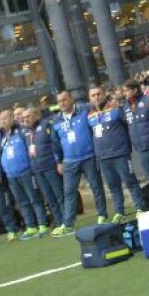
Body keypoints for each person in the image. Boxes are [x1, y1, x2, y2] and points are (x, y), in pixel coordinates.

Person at [50, 90, 108, 237]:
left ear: (71, 99)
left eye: (64, 100)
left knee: (96, 187)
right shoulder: (56, 120)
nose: (62, 103)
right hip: (69, 161)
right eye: (59, 101)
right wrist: (59, 162)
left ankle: (102, 214)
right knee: (69, 192)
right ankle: (68, 224)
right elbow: (55, 144)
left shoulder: (85, 110)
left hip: (89, 157)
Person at [87, 85, 142, 222]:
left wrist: (127, 146)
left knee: (130, 182)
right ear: (89, 98)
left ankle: (139, 208)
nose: (96, 97)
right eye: (93, 95)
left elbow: (128, 125)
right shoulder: (89, 115)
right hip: (103, 158)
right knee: (113, 186)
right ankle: (119, 212)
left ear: (104, 94)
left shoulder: (116, 108)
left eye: (98, 94)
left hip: (120, 154)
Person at [0, 110, 47, 239]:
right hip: (11, 176)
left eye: (5, 118)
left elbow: (31, 148)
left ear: (12, 118)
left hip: (26, 172)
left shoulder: (22, 131)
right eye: (0, 119)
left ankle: (42, 224)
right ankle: (30, 226)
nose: (2, 121)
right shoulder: (1, 137)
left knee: (35, 199)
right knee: (22, 202)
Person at [24, 107, 64, 228]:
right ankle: (59, 221)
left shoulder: (46, 125)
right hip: (37, 170)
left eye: (28, 116)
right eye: (24, 117)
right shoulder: (27, 132)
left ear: (37, 115)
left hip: (50, 167)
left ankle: (67, 221)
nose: (26, 119)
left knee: (60, 195)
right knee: (49, 198)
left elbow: (55, 144)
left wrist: (59, 162)